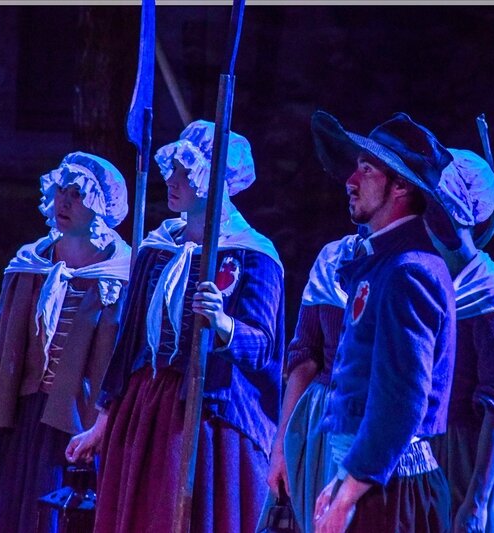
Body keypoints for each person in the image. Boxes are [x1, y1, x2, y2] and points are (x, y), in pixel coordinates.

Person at [66, 120, 285, 533]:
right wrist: (103, 420)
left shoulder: (253, 255)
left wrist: (222, 322)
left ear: (213, 178)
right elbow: (128, 343)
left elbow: (263, 349)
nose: (172, 179)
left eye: (185, 170)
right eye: (173, 168)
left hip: (208, 416)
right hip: (144, 406)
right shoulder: (156, 249)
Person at [0, 151, 132, 532]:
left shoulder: (122, 275)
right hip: (20, 423)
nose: (64, 201)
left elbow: (127, 360)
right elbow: (0, 345)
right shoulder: (29, 265)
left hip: (77, 426)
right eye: (62, 189)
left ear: (100, 206)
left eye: (77, 194)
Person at [309, 110, 457, 533]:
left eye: (367, 170)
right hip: (372, 478)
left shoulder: (408, 271)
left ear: (402, 185)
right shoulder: (383, 264)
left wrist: (348, 493)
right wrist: (341, 480)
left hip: (394, 490)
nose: (351, 182)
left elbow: (400, 400)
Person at [424, 149, 494, 533]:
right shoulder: (431, 279)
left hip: (468, 460)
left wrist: (475, 501)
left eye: (436, 206)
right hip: (424, 452)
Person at [262, 230, 360, 533]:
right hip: (318, 423)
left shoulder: (411, 262)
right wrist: (280, 448)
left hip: (369, 420)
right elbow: (304, 356)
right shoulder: (333, 257)